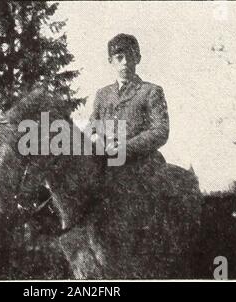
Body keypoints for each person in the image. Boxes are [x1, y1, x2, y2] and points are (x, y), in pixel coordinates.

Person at [89, 33, 170, 278]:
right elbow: (93, 126)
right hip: (108, 165)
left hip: (142, 165)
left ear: (138, 58)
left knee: (144, 220)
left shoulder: (151, 92)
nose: (124, 62)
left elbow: (160, 131)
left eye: (129, 57)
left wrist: (126, 148)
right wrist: (95, 138)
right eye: (119, 57)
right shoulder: (103, 95)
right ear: (110, 61)